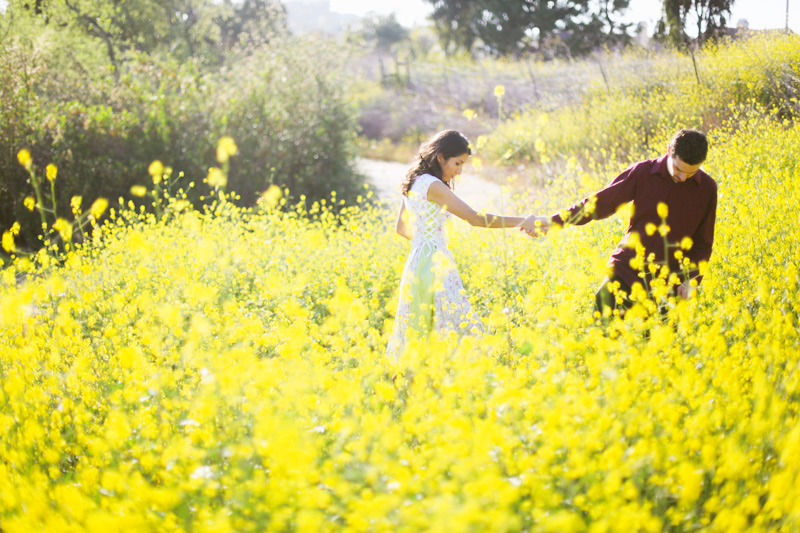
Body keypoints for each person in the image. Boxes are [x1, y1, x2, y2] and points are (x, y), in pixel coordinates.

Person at [521, 128, 717, 319]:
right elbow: (600, 203)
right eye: (678, 170)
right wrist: (553, 222)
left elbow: (703, 243)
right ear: (668, 151)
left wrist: (691, 279)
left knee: (658, 348)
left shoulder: (707, 189)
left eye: (691, 173)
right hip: (627, 270)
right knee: (602, 327)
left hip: (670, 282)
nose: (683, 178)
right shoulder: (643, 172)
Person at [386, 130, 531, 359]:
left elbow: (401, 229)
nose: (460, 171)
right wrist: (522, 220)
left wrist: (424, 243)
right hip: (434, 262)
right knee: (461, 328)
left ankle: (407, 390)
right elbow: (475, 219)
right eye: (458, 163)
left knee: (418, 330)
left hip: (417, 263)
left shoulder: (414, 180)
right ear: (441, 157)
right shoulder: (433, 185)